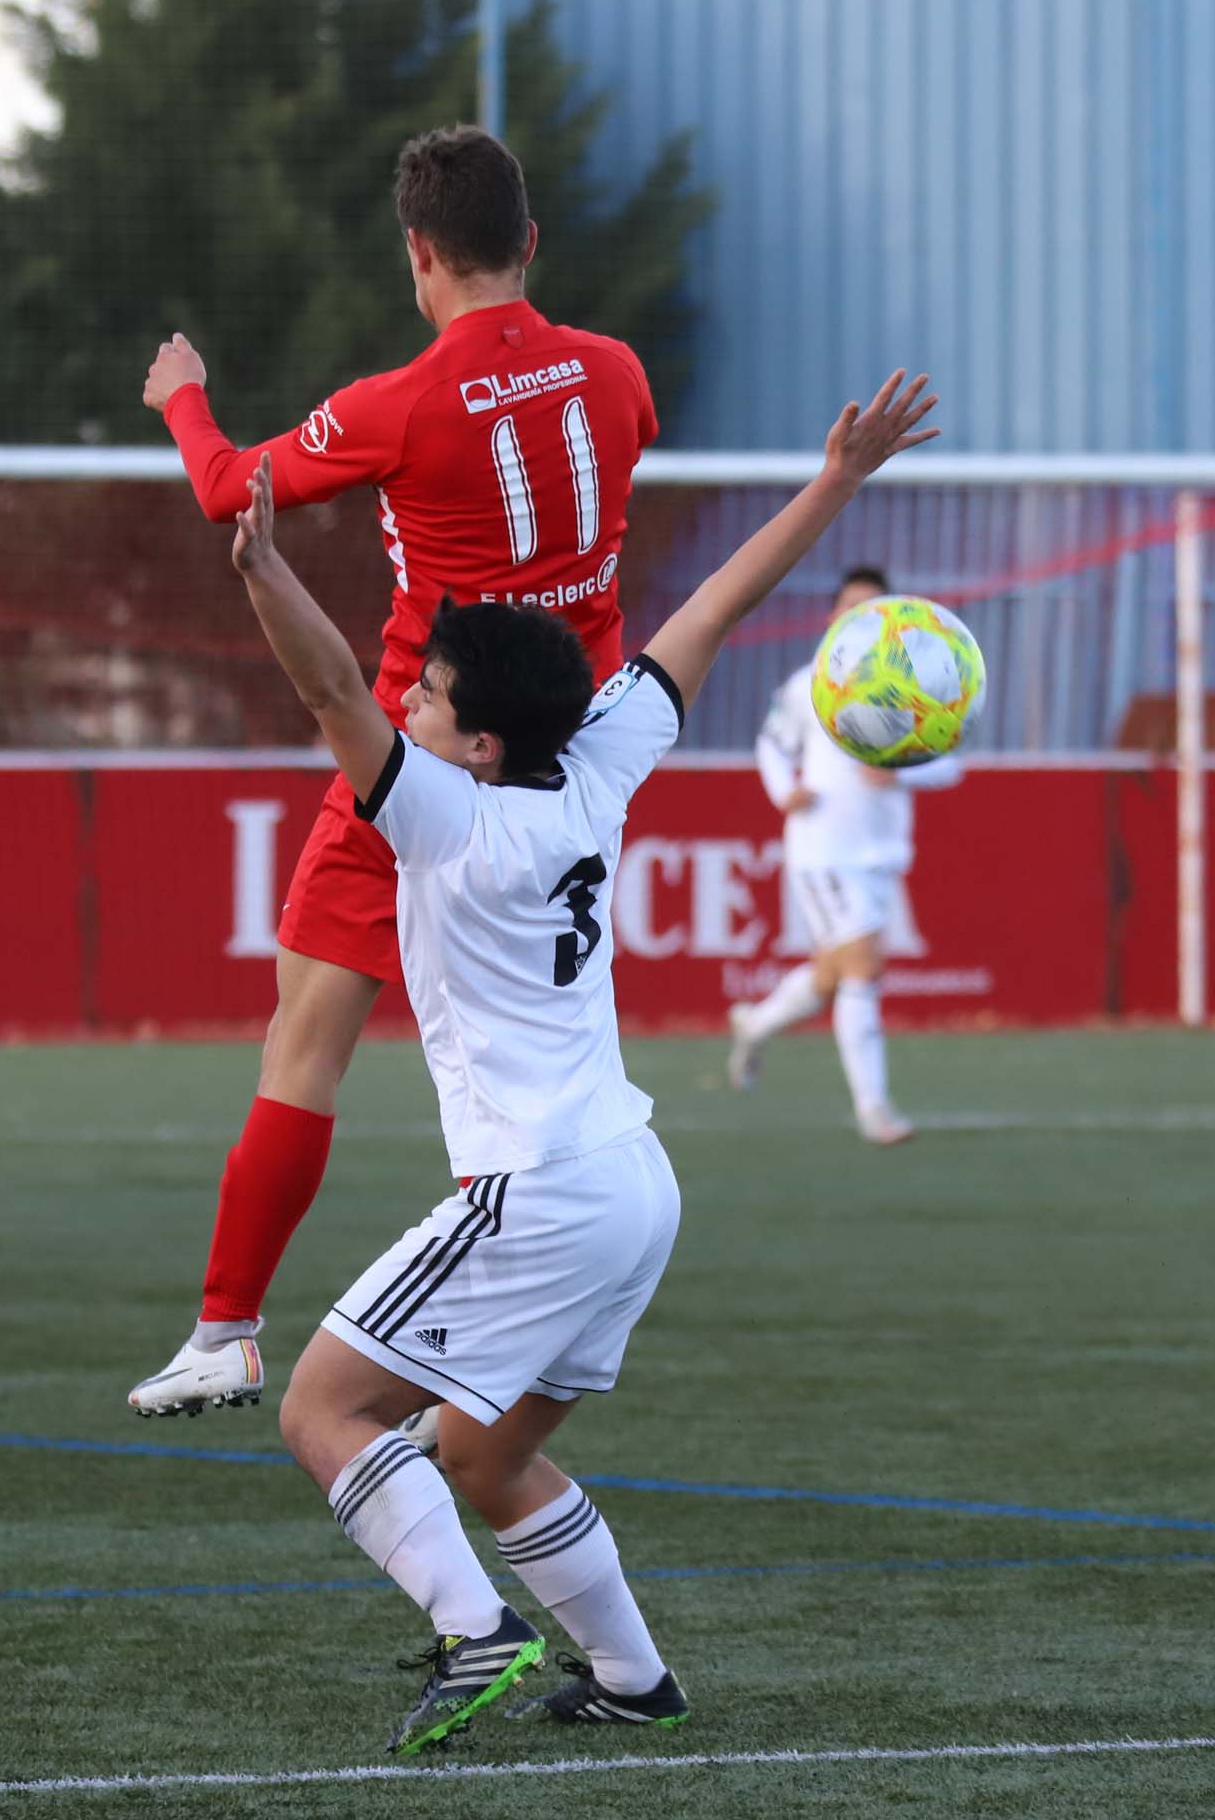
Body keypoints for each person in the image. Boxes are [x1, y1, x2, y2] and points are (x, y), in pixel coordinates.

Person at [226, 372, 938, 1751]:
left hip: (537, 1191)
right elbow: (711, 611)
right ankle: (633, 1680)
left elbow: (324, 682)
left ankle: (474, 1632)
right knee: (485, 1454)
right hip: (631, 1186)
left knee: (320, 1409)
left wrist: (262, 567)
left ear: (478, 744)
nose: (407, 709)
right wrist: (836, 481)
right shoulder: (597, 762)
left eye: (428, 699)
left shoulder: (447, 819)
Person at [127, 125, 659, 1419]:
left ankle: (228, 1330)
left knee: (308, 1034)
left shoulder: (399, 405)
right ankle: (533, 1311)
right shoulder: (617, 371)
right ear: (529, 243)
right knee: (542, 1029)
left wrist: (181, 399)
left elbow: (232, 494)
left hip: (423, 750)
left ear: (418, 255)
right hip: (574, 750)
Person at [724, 566, 965, 1142]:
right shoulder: (810, 684)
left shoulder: (917, 689)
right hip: (823, 846)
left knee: (835, 977)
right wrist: (787, 791)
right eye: (852, 609)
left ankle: (754, 1024)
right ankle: (873, 1109)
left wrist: (904, 774)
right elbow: (772, 745)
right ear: (833, 619)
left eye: (875, 609)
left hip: (881, 852)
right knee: (865, 966)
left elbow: (951, 763)